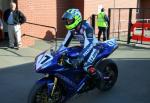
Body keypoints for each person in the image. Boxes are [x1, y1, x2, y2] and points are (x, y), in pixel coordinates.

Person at [59, 8, 102, 80]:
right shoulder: (72, 30)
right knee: (69, 55)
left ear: (77, 19)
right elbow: (65, 43)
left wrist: (79, 58)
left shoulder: (87, 28)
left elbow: (89, 45)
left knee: (86, 66)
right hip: (83, 47)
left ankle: (100, 79)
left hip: (95, 47)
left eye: (69, 20)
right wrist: (57, 53)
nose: (67, 22)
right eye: (67, 20)